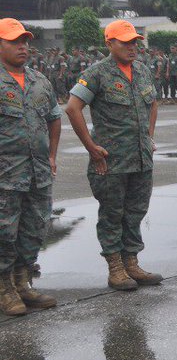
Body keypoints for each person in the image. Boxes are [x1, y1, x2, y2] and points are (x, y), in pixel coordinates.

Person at [64, 20, 162, 290]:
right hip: (111, 161)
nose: (132, 47)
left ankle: (132, 262)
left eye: (134, 42)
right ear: (109, 43)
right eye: (125, 42)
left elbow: (152, 103)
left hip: (141, 159)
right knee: (112, 214)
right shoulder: (96, 73)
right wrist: (91, 147)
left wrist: (148, 137)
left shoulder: (142, 70)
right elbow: (73, 108)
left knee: (135, 212)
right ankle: (115, 268)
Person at [0, 19, 61, 316]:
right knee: (4, 232)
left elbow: (53, 117)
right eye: (14, 41)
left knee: (34, 228)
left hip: (37, 171)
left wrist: (51, 155)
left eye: (25, 41)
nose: (22, 46)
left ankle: (23, 283)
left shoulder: (40, 81)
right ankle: (4, 288)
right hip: (5, 173)